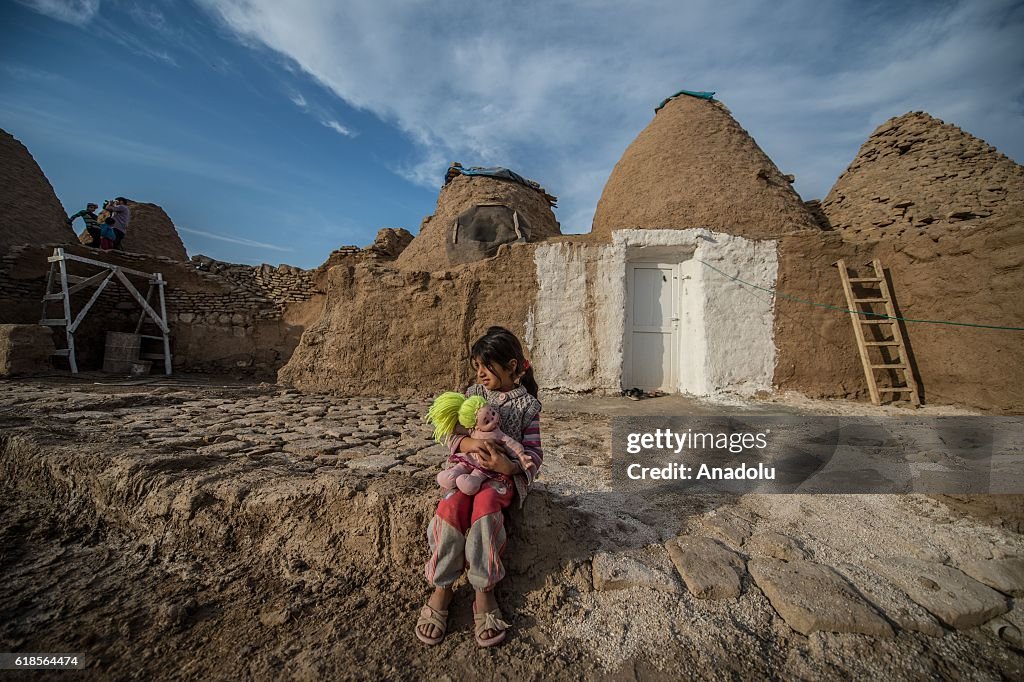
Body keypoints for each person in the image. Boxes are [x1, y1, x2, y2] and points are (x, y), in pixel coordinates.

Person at [416, 326, 543, 648]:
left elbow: (534, 453)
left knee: (485, 512)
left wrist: (509, 467)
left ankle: (484, 592)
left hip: (500, 480)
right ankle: (442, 587)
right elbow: (449, 433)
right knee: (449, 508)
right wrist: (469, 442)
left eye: (487, 366)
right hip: (466, 473)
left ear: (512, 366)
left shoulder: (528, 406)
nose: (481, 373)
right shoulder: (472, 396)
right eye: (477, 367)